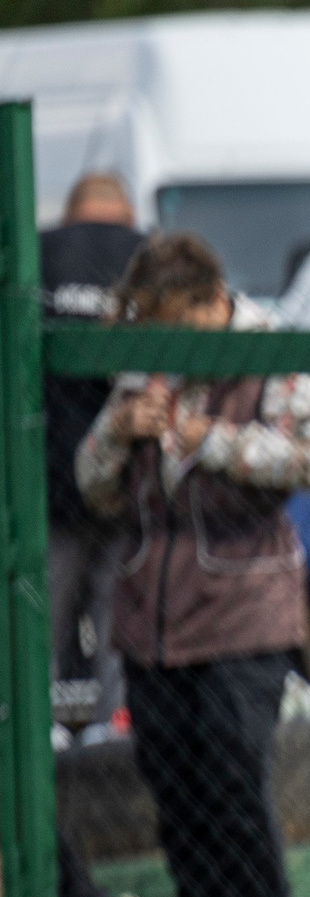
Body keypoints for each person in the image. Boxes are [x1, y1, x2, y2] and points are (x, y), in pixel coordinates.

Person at [75, 233, 310, 897]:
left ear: (211, 303)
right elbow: (95, 487)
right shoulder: (144, 366)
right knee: (174, 781)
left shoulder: (272, 361)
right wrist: (116, 433)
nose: (159, 341)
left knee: (234, 770)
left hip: (243, 608)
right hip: (149, 613)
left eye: (171, 323)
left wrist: (218, 443)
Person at [44, 171, 145, 731]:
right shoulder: (146, 255)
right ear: (126, 213)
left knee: (39, 625)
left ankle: (40, 735)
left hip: (46, 486)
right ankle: (115, 735)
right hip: (129, 484)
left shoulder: (38, 256)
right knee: (116, 627)